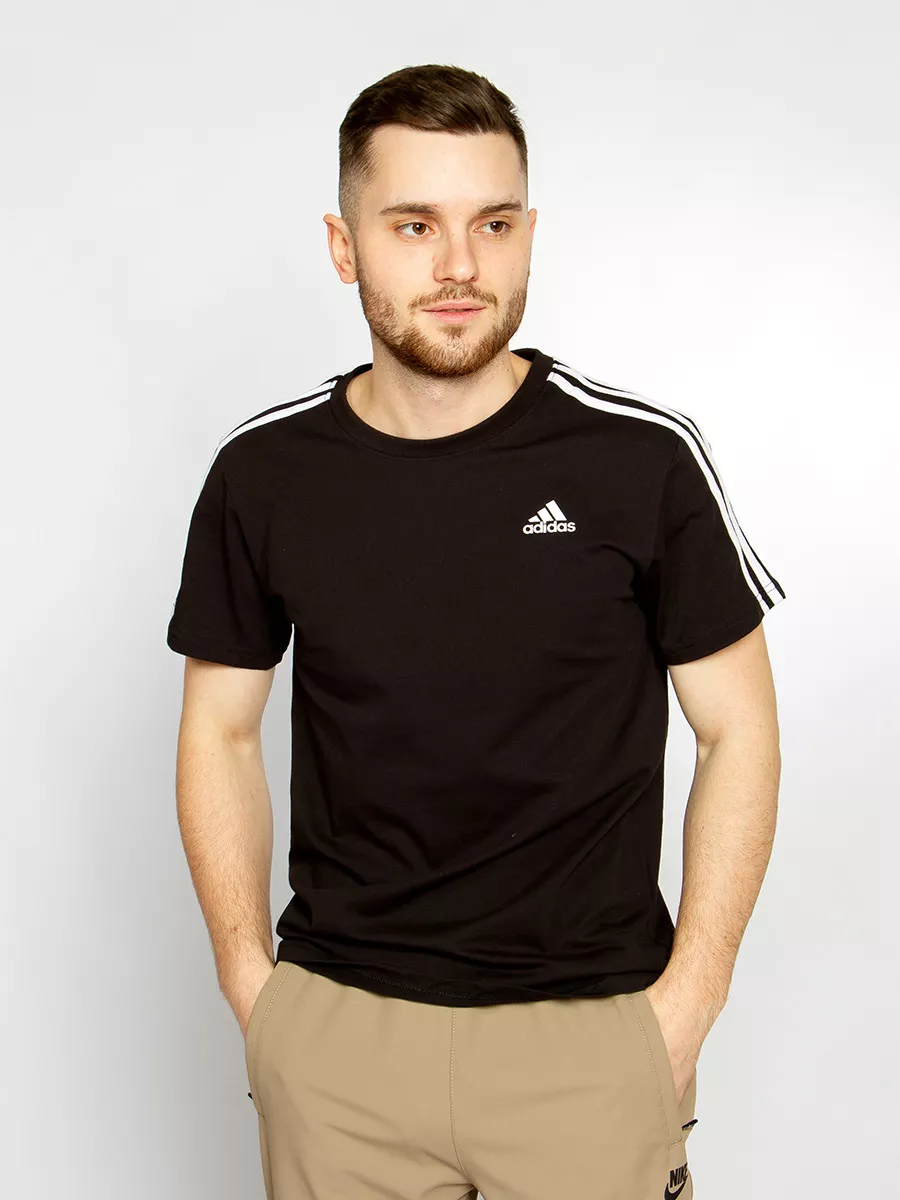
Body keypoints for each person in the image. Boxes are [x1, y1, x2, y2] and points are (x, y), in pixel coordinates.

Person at [166, 61, 786, 1200]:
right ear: (344, 246)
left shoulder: (641, 460)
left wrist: (687, 1006)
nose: (460, 265)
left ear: (529, 236)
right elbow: (219, 732)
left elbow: (739, 729)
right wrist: (255, 993)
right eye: (414, 225)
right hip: (341, 1039)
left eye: (493, 224)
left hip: (589, 1035)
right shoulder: (264, 474)